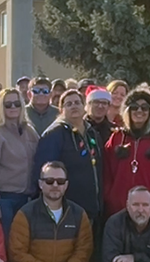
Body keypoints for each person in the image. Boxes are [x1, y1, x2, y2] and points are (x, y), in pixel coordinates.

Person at [32, 88, 104, 228]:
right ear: (61, 109)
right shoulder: (55, 134)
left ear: (84, 107)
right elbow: (43, 172)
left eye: (77, 102)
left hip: (93, 207)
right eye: (69, 104)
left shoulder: (92, 134)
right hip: (67, 209)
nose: (74, 106)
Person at [103, 89, 150, 217]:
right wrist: (111, 196)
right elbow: (105, 171)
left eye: (145, 108)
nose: (139, 111)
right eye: (134, 108)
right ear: (127, 111)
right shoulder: (117, 137)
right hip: (118, 210)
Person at [0, 87, 40, 238]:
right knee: (7, 242)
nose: (13, 107)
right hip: (4, 199)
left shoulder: (30, 131)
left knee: (24, 242)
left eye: (17, 104)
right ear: (1, 107)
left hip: (27, 198)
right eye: (8, 105)